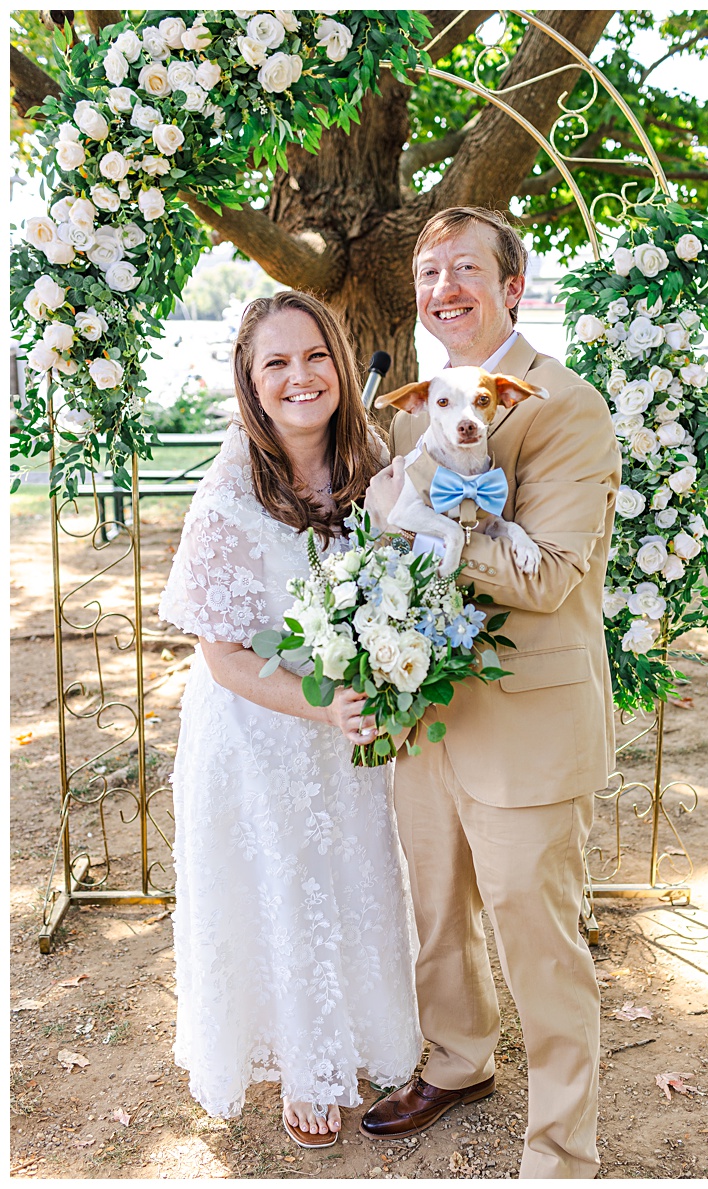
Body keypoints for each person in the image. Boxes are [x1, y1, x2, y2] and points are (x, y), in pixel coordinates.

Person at [361, 206, 621, 1178]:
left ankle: (560, 1147)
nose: (443, 288)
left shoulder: (565, 405)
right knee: (434, 911)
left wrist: (422, 512)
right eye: (428, 274)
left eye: (464, 268)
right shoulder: (420, 403)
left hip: (527, 721)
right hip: (427, 705)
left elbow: (551, 573)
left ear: (513, 286)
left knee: (537, 939)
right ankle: (459, 1060)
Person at [158, 290, 422, 1147]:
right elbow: (223, 655)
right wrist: (323, 700)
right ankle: (301, 1065)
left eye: (315, 356)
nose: (300, 376)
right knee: (284, 879)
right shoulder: (231, 489)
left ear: (340, 366)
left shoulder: (373, 458)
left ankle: (371, 1032)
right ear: (250, 381)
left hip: (348, 725)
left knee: (354, 871)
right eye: (276, 362)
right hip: (259, 726)